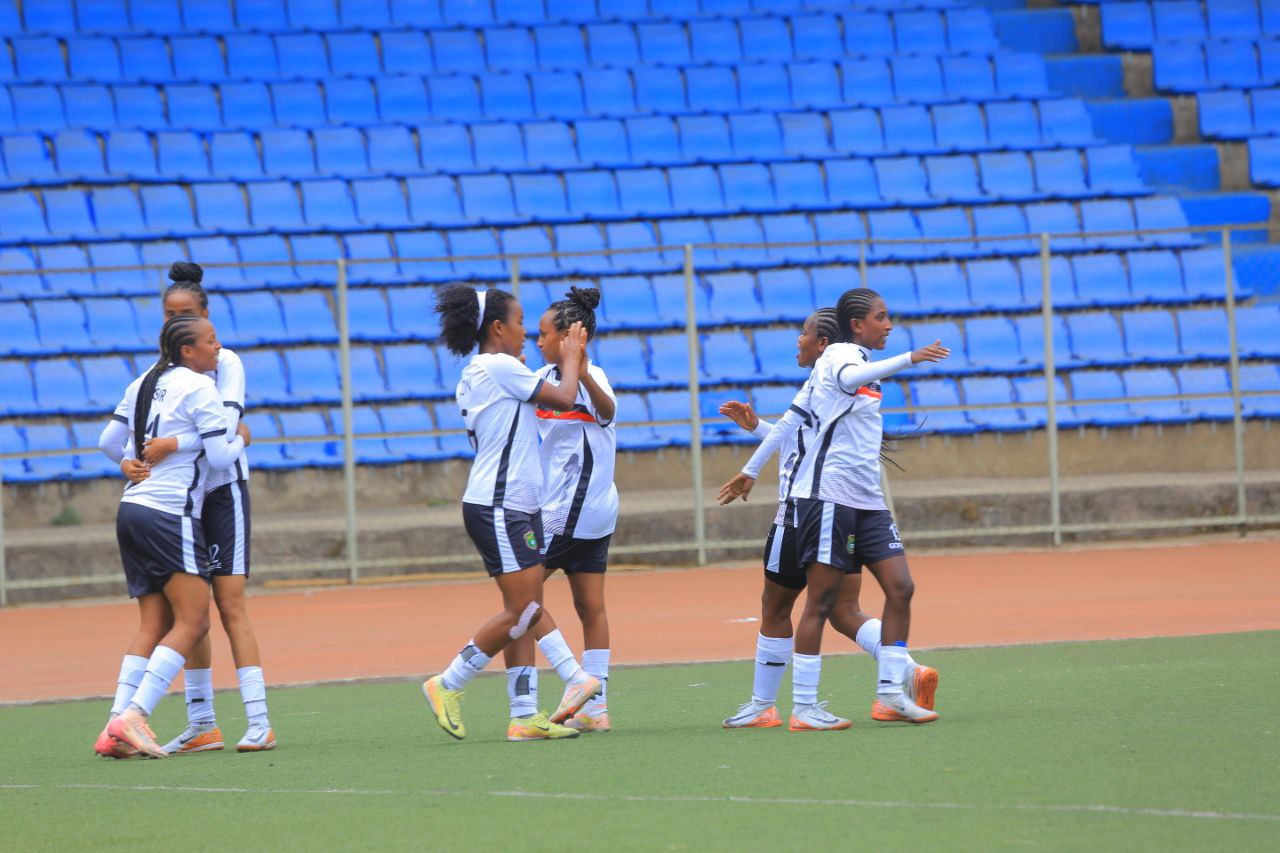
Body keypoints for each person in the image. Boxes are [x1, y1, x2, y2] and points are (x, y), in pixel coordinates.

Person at [719, 288, 949, 728]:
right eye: (881, 316)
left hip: (845, 503)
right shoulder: (842, 361)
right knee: (827, 607)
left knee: (869, 595)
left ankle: (888, 687)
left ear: (823, 341)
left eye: (804, 333)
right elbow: (795, 431)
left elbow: (798, 432)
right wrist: (910, 358)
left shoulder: (846, 364)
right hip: (817, 503)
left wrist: (753, 451)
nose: (798, 340)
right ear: (856, 326)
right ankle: (794, 703)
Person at [422, 285, 602, 742]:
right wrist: (573, 356)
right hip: (499, 505)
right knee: (525, 608)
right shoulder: (498, 366)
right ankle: (448, 682)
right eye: (520, 323)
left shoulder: (485, 369)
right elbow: (565, 397)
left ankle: (524, 713)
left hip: (516, 504)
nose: (526, 334)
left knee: (524, 609)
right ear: (498, 327)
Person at [117, 262, 274, 754]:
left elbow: (222, 437)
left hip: (222, 491)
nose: (175, 319)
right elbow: (119, 438)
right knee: (193, 609)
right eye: (168, 313)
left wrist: (174, 443)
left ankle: (259, 720)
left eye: (185, 312)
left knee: (228, 605)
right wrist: (128, 459)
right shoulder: (162, 374)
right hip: (183, 500)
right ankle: (202, 722)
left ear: (205, 314)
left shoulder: (224, 363)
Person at [93, 314, 248, 759]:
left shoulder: (143, 381)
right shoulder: (199, 387)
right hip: (168, 513)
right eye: (210, 341)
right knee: (195, 621)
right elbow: (221, 456)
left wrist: (126, 464)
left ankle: (113, 729)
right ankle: (133, 716)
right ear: (187, 350)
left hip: (131, 507)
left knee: (153, 624)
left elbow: (108, 442)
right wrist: (243, 437)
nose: (218, 348)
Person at [530, 286, 618, 733]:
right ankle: (596, 709)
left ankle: (574, 681)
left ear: (568, 337)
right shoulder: (542, 377)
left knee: (521, 597)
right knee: (589, 605)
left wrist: (581, 372)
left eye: (544, 334)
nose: (537, 340)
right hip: (588, 508)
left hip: (571, 509)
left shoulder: (592, 376)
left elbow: (607, 411)